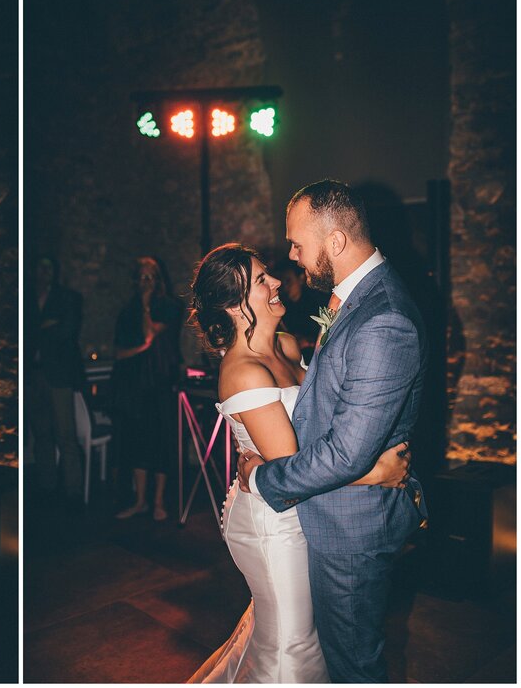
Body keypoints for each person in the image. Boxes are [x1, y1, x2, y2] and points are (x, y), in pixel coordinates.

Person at [186, 242, 411, 683]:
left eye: (268, 274)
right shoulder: (244, 371)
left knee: (298, 630)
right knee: (293, 640)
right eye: (260, 281)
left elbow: (326, 413)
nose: (275, 282)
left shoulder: (286, 345)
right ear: (233, 306)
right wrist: (375, 472)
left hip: (304, 502)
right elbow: (292, 467)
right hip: (272, 519)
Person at [239, 179, 428, 682]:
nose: (293, 256)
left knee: (353, 666)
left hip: (352, 530)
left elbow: (346, 453)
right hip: (337, 513)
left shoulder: (382, 318)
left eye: (299, 243)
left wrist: (261, 478)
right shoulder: (354, 299)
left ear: (337, 242)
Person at [112, 256, 183, 522]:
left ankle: (158, 502)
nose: (146, 283)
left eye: (150, 277)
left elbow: (150, 334)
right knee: (138, 441)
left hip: (161, 380)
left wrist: (145, 308)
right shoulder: (127, 311)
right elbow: (119, 350)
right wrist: (139, 348)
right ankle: (140, 501)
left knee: (161, 441)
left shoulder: (169, 306)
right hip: (134, 384)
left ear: (158, 279)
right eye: (141, 278)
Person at [27, 255, 84, 502]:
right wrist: (45, 325)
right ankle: (46, 486)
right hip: (33, 373)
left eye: (49, 268)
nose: (44, 272)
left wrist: (38, 327)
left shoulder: (66, 298)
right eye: (40, 267)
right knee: (41, 434)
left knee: (66, 435)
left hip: (58, 375)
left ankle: (73, 492)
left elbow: (67, 331)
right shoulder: (26, 297)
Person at [270, 257, 326, 363]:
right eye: (282, 282)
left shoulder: (317, 302)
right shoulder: (283, 308)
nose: (285, 287)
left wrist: (310, 341)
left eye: (288, 281)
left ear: (300, 279)